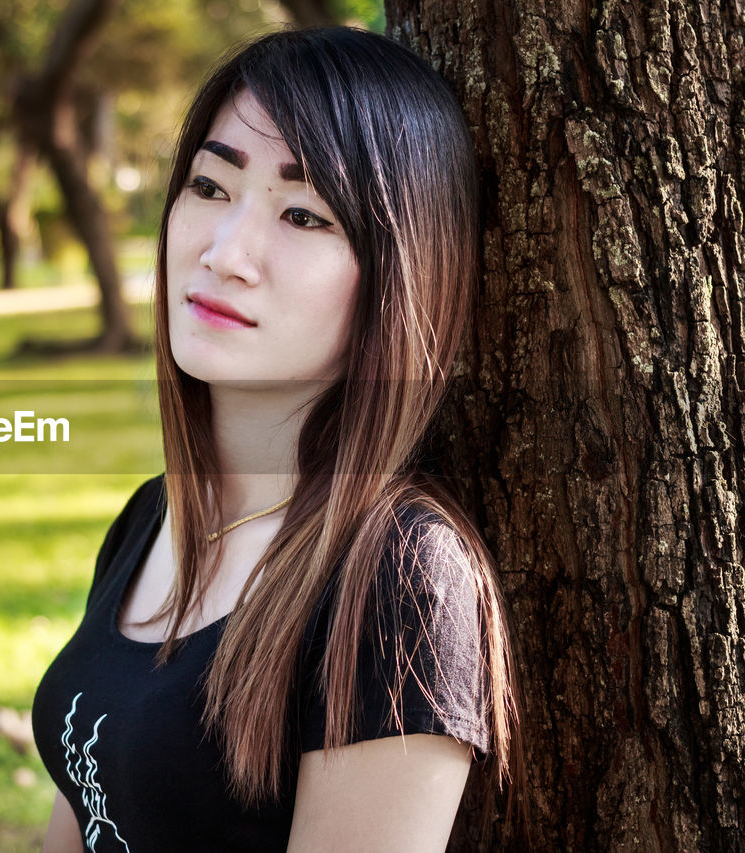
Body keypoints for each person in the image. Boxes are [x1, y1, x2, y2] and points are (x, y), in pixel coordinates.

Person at [31, 25, 525, 852]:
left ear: (398, 276)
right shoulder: (151, 519)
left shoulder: (399, 581)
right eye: (211, 187)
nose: (225, 254)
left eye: (304, 213)